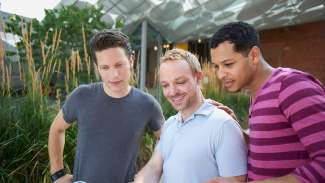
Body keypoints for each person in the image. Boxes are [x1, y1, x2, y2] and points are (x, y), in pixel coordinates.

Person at [208, 21, 325, 183]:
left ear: (254, 56)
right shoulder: (257, 94)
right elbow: (269, 150)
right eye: (216, 66)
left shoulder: (291, 86)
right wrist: (235, 129)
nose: (220, 74)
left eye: (228, 64)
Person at [48, 30, 164, 183]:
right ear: (97, 67)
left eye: (119, 65)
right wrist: (57, 173)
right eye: (105, 67)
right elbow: (57, 129)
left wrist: (147, 176)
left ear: (131, 60)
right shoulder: (81, 96)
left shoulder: (147, 104)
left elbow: (167, 141)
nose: (114, 74)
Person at [134, 49, 247, 183]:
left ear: (198, 78)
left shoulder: (223, 125)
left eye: (180, 82)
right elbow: (153, 168)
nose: (172, 92)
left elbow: (236, 180)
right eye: (165, 85)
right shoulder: (170, 124)